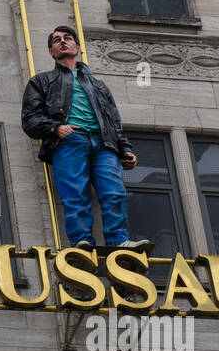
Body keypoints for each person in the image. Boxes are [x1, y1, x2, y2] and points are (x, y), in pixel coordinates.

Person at [21, 25, 149, 250]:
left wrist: (124, 148)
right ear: (51, 51)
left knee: (114, 192)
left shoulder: (98, 85)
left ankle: (119, 241)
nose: (62, 42)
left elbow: (113, 120)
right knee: (75, 193)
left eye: (68, 38)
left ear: (77, 47)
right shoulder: (41, 81)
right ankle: (82, 241)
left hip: (104, 144)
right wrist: (55, 128)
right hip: (70, 140)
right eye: (56, 40)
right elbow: (30, 119)